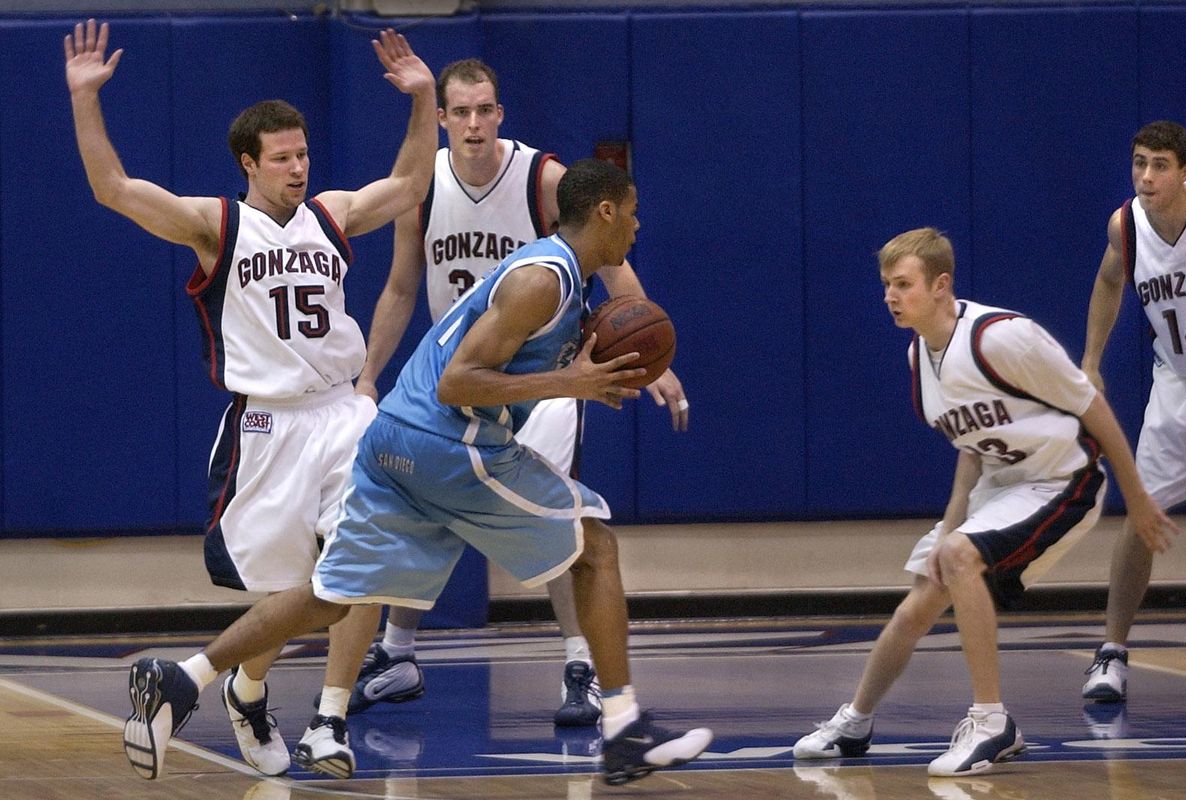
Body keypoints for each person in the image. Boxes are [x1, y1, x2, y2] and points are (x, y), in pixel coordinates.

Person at [119, 159, 713, 785]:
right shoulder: (543, 279)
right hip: (447, 441)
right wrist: (572, 382)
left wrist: (580, 361)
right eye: (635, 211)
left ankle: (182, 679)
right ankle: (621, 728)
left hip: (392, 439)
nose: (639, 227)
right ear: (606, 212)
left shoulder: (564, 282)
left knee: (333, 595)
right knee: (595, 548)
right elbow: (460, 382)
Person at [63, 18, 439, 779]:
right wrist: (85, 102)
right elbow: (112, 189)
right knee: (290, 597)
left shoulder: (330, 213)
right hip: (268, 427)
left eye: (303, 153)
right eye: (283, 158)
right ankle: (246, 687)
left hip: (343, 413)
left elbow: (408, 185)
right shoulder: (216, 225)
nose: (298, 167)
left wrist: (423, 98)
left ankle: (329, 719)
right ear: (250, 163)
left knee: (359, 567)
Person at [336, 57, 690, 727]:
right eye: (460, 111)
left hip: (543, 380)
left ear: (501, 113)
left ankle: (578, 664)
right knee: (429, 505)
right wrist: (368, 374)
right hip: (461, 374)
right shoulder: (422, 186)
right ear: (440, 119)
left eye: (485, 109)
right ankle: (399, 652)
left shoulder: (544, 178)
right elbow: (402, 287)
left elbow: (618, 270)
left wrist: (650, 362)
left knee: (561, 513)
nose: (473, 123)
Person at [791, 228, 1175, 776]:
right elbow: (970, 449)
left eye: (903, 284)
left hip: (1062, 480)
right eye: (886, 285)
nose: (890, 296)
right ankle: (855, 722)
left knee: (959, 558)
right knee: (920, 600)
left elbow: (1091, 405)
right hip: (1001, 483)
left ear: (941, 285)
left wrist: (1136, 497)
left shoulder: (1002, 337)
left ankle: (992, 721)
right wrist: (950, 524)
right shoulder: (919, 356)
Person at [1079, 120, 1186, 703]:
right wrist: (1092, 359)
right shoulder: (1125, 224)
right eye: (1139, 163)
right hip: (1177, 385)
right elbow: (1108, 281)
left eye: (1160, 166)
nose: (1147, 177)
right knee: (1141, 517)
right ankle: (1112, 652)